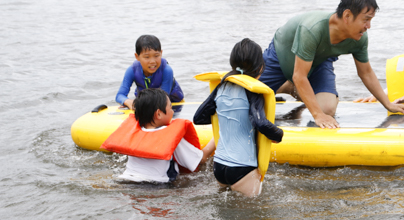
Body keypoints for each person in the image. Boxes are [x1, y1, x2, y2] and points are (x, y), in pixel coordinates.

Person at [258, 0, 404, 129]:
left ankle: (291, 87)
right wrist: (317, 116)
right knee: (247, 96)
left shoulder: (360, 37)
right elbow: (299, 75)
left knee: (326, 109)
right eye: (366, 20)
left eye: (370, 21)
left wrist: (388, 104)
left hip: (319, 61)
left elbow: (366, 73)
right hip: (281, 56)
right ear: (347, 15)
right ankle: (288, 85)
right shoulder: (312, 29)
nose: (368, 26)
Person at [193, 39, 284, 197]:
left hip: (219, 166)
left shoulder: (221, 87)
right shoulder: (253, 91)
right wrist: (278, 134)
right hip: (243, 167)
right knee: (251, 217)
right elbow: (260, 123)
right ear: (260, 67)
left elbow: (199, 118)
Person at [102, 89, 216, 183]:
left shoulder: (133, 133)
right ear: (159, 114)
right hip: (155, 188)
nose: (172, 112)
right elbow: (201, 159)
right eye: (171, 108)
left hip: (125, 181)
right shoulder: (171, 136)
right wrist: (217, 137)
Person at [116, 35, 184, 110]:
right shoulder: (132, 70)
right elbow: (120, 95)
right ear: (137, 56)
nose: (152, 61)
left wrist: (141, 105)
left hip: (174, 104)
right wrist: (128, 102)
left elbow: (163, 99)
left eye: (156, 56)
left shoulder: (167, 70)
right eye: (147, 57)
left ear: (161, 53)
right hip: (149, 104)